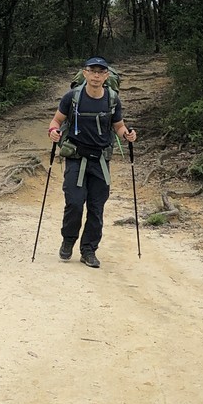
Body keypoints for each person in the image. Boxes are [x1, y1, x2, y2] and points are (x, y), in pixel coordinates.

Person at [47, 56, 136, 268]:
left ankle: (89, 250)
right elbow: (56, 121)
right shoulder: (72, 97)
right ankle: (68, 241)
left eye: (101, 71)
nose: (96, 75)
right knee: (75, 203)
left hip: (100, 161)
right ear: (85, 73)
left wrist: (128, 135)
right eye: (92, 71)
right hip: (76, 158)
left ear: (107, 75)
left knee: (97, 208)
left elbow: (119, 126)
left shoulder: (112, 99)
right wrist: (53, 132)